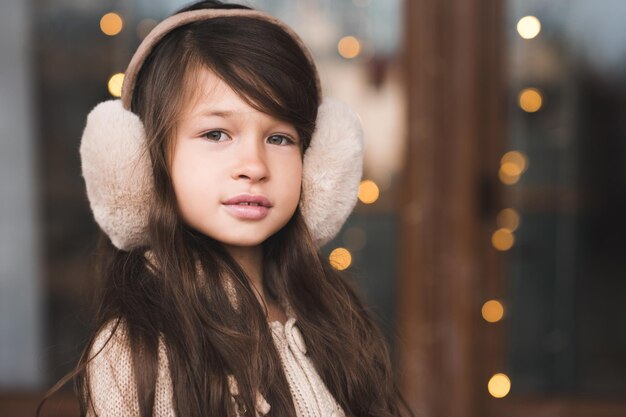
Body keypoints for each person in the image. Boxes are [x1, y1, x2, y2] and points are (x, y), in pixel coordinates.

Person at [41, 1, 409, 416]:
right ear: (144, 164)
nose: (253, 166)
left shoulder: (330, 320)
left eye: (280, 138)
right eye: (216, 133)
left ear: (317, 163)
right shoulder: (137, 351)